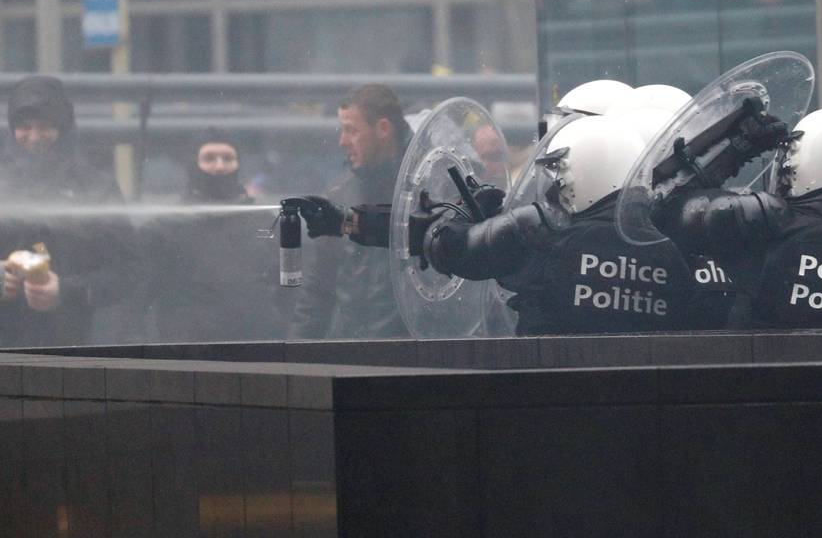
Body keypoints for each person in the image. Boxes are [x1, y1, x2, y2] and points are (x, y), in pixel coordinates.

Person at [420, 115, 694, 335]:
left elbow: (449, 249)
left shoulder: (540, 232)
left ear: (585, 172)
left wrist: (464, 211)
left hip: (547, 390)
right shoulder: (669, 252)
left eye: (561, 173)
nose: (555, 186)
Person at [656, 106, 822, 328]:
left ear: (792, 165)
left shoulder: (763, 221)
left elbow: (664, 212)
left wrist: (737, 146)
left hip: (759, 370)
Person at [0, 75, 135, 347]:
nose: (35, 137)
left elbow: (129, 270)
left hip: (74, 345)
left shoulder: (96, 188)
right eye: (24, 127)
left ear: (63, 128)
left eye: (45, 126)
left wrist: (67, 290)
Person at [143, 128, 289, 343]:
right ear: (194, 164)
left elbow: (289, 285)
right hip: (189, 351)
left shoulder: (266, 222)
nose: (219, 166)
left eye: (228, 158)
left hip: (257, 346)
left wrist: (283, 327)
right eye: (209, 158)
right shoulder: (166, 227)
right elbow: (146, 290)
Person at [291, 84, 412, 339]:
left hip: (413, 355)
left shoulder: (425, 188)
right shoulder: (340, 196)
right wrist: (297, 351)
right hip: (353, 351)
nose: (342, 141)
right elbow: (318, 290)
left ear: (383, 129)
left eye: (351, 130)